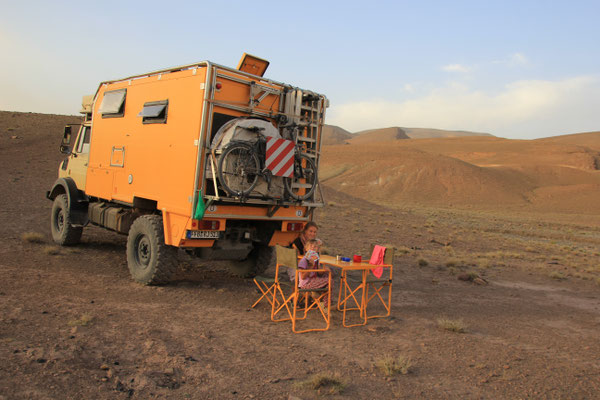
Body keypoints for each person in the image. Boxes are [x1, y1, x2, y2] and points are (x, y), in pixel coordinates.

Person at [297, 239, 330, 307]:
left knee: (328, 275)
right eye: (310, 246)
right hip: (305, 284)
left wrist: (323, 270)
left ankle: (320, 298)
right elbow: (303, 277)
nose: (313, 248)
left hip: (313, 280)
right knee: (329, 281)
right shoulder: (304, 260)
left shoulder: (316, 259)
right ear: (306, 249)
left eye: (315, 247)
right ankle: (325, 304)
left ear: (318, 250)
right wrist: (311, 266)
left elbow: (318, 273)